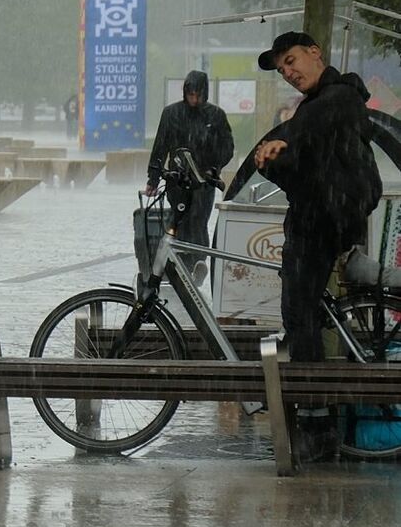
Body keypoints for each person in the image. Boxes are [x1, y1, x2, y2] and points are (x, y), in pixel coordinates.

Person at [254, 30, 382, 460]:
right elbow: (304, 174)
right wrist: (275, 160)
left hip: (323, 224)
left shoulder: (339, 97)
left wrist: (284, 140)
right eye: (283, 68)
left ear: (315, 53)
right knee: (301, 317)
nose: (289, 72)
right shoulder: (316, 107)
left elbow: (317, 131)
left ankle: (317, 427)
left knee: (301, 317)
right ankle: (314, 420)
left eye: (292, 60)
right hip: (314, 219)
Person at [146, 71, 235, 252]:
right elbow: (160, 148)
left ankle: (197, 260)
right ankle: (176, 262)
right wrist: (153, 179)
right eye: (191, 95)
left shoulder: (216, 115)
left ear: (205, 93)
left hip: (204, 180)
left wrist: (214, 167)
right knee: (179, 219)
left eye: (198, 95)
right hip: (177, 178)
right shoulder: (172, 113)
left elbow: (227, 148)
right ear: (185, 93)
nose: (194, 99)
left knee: (198, 220)